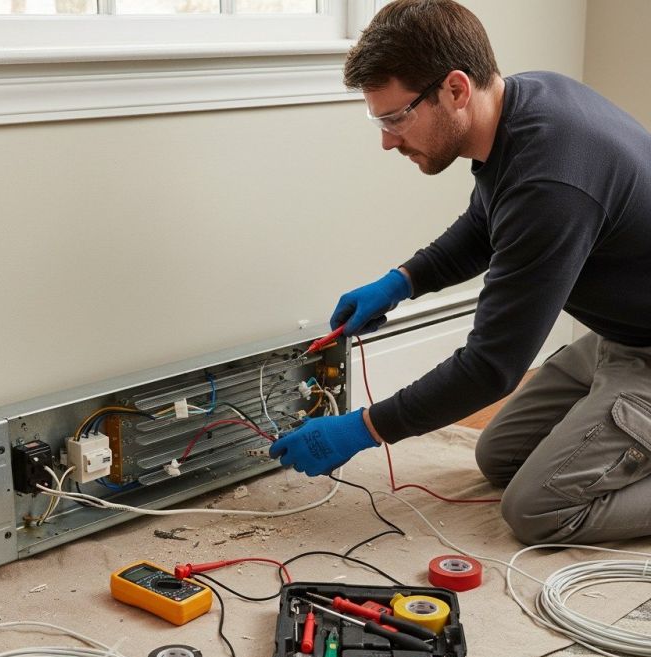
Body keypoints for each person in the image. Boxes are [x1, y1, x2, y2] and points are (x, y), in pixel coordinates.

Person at [270, 0, 651, 546]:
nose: (387, 140)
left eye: (395, 117)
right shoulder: (526, 103)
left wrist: (363, 429)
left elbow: (491, 367)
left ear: (454, 89)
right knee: (501, 458)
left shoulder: (552, 182)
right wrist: (400, 282)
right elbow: (487, 223)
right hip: (624, 335)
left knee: (536, 510)